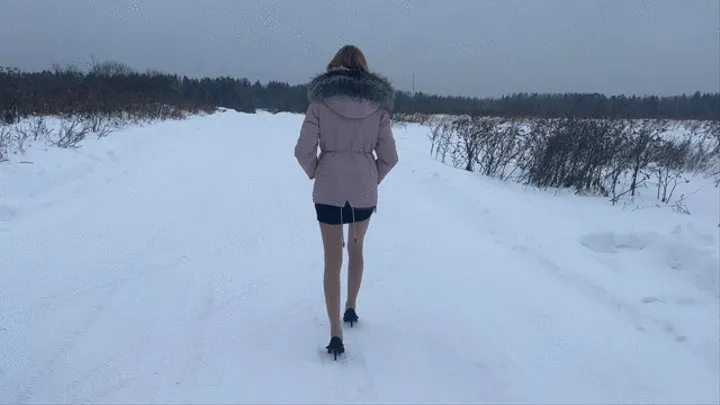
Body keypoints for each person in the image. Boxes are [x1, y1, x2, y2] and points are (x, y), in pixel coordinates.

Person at [294, 45, 399, 359]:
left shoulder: (319, 104)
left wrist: (318, 171)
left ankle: (335, 334)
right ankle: (351, 308)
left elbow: (302, 151)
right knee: (356, 248)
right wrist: (371, 176)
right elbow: (391, 157)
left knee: (332, 259)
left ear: (334, 67)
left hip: (328, 190)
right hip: (364, 191)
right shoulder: (379, 108)